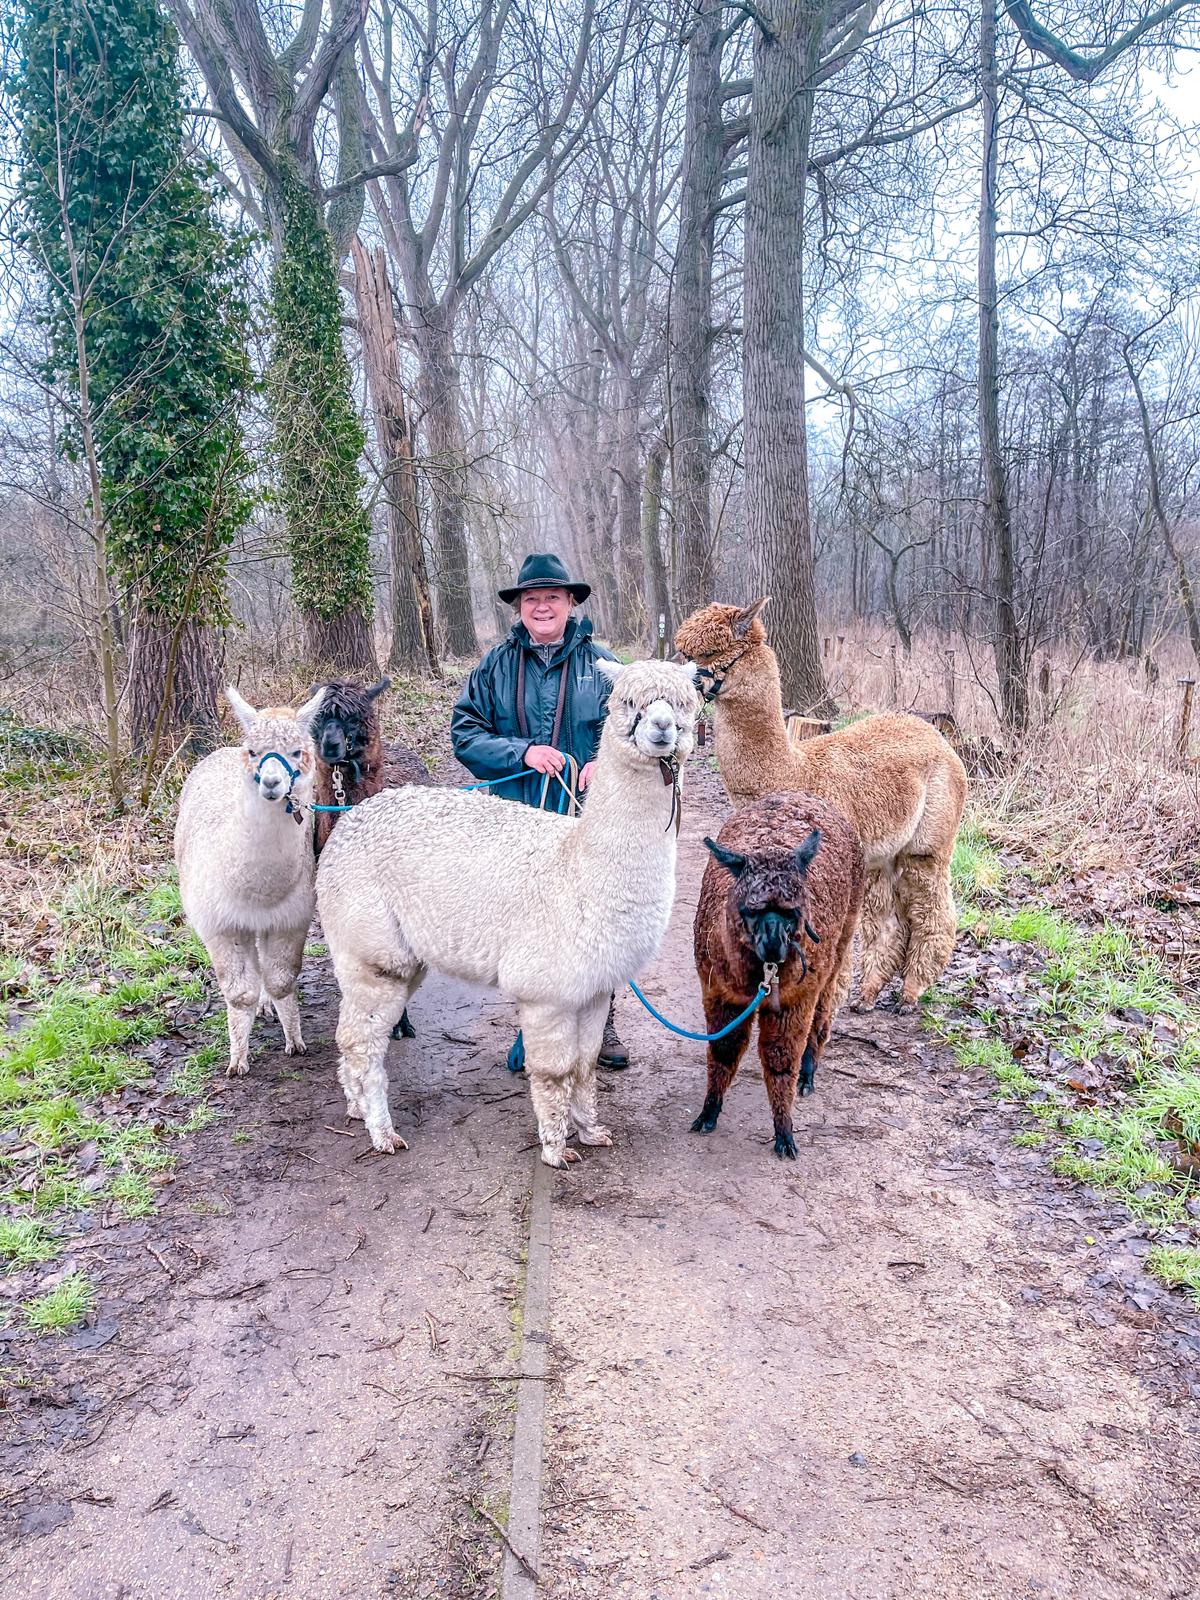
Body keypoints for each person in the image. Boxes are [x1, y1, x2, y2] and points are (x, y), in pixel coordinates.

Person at [451, 552, 630, 1073]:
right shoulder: (495, 667)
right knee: (530, 925)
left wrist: (604, 762)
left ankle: (601, 1019)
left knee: (594, 919)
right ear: (519, 608)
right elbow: (465, 733)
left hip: (586, 819)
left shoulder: (604, 666)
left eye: (553, 597)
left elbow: (632, 731)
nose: (543, 607)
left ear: (571, 602)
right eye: (532, 599)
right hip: (518, 820)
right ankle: (535, 1026)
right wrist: (523, 752)